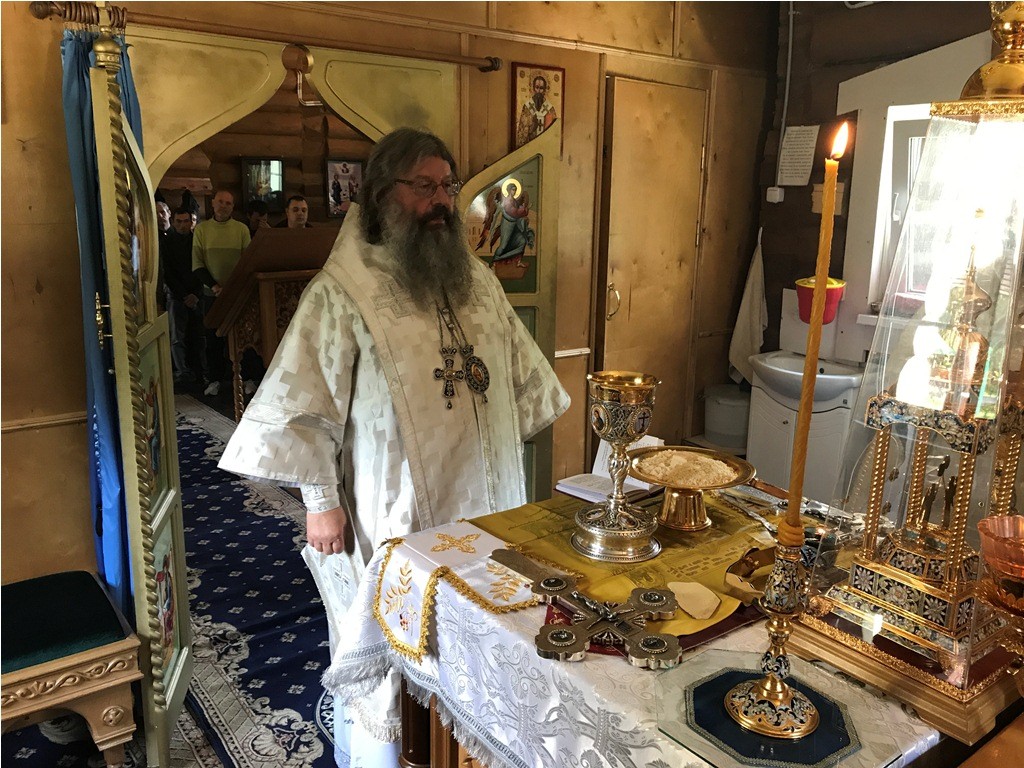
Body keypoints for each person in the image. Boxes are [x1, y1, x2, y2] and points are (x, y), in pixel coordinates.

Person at [218, 128, 569, 767]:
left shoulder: (476, 280)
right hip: (394, 510)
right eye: (424, 186)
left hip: (487, 500)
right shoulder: (343, 291)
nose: (442, 201)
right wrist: (320, 502)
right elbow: (306, 405)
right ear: (384, 195)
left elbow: (519, 382)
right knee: (399, 654)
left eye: (448, 186)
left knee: (486, 637)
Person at [192, 188, 251, 397]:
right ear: (213, 203)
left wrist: (233, 288)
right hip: (212, 295)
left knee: (243, 337)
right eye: (220, 202)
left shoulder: (242, 230)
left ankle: (248, 378)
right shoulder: (201, 230)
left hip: (237, 294)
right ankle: (215, 379)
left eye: (228, 203)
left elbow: (247, 262)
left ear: (233, 207)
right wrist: (215, 287)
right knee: (213, 339)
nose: (224, 206)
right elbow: (197, 264)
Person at [162, 207, 206, 388]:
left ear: (191, 222)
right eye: (179, 222)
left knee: (200, 335)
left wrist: (195, 293)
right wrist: (184, 294)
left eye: (186, 221)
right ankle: (182, 372)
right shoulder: (166, 242)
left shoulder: (198, 240)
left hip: (197, 293)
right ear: (173, 222)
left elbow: (203, 266)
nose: (182, 225)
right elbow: (167, 272)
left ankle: (201, 371)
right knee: (177, 337)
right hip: (176, 294)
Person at [515, 74, 557, 147]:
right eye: (537, 87)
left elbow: (553, 131)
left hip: (544, 145)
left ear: (544, 90)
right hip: (530, 145)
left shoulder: (550, 108)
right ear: (533, 88)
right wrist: (532, 127)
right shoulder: (527, 107)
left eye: (541, 88)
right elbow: (522, 133)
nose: (539, 91)